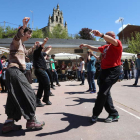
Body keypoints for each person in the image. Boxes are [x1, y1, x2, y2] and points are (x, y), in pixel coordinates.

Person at [2, 17, 45, 134]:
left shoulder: (22, 46)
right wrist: (23, 27)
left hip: (14, 72)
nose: (30, 35)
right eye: (28, 33)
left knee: (12, 97)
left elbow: (26, 53)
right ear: (22, 33)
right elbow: (17, 36)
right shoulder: (16, 42)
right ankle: (31, 120)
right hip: (15, 70)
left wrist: (35, 47)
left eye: (30, 34)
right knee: (29, 93)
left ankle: (8, 123)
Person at [79, 30, 122, 123]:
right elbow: (96, 49)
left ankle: (95, 114)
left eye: (108, 36)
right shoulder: (106, 47)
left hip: (113, 70)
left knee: (102, 93)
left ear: (113, 36)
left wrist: (102, 35)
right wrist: (87, 45)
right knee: (106, 93)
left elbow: (113, 41)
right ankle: (113, 114)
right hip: (104, 71)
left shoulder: (117, 43)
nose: (106, 38)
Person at [33, 39, 53, 107]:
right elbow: (41, 48)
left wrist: (49, 48)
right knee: (47, 85)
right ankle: (46, 99)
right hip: (40, 70)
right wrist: (45, 42)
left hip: (40, 71)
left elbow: (46, 53)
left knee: (41, 86)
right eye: (40, 45)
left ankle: (38, 100)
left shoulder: (41, 53)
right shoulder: (36, 52)